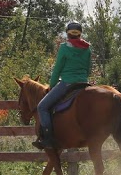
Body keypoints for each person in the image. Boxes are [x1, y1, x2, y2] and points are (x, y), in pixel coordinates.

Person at [33, 21, 92, 149]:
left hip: (67, 83)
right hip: (83, 83)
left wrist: (52, 85)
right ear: (80, 35)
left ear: (68, 34)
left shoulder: (64, 48)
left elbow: (57, 69)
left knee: (42, 107)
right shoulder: (87, 49)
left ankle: (47, 138)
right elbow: (88, 69)